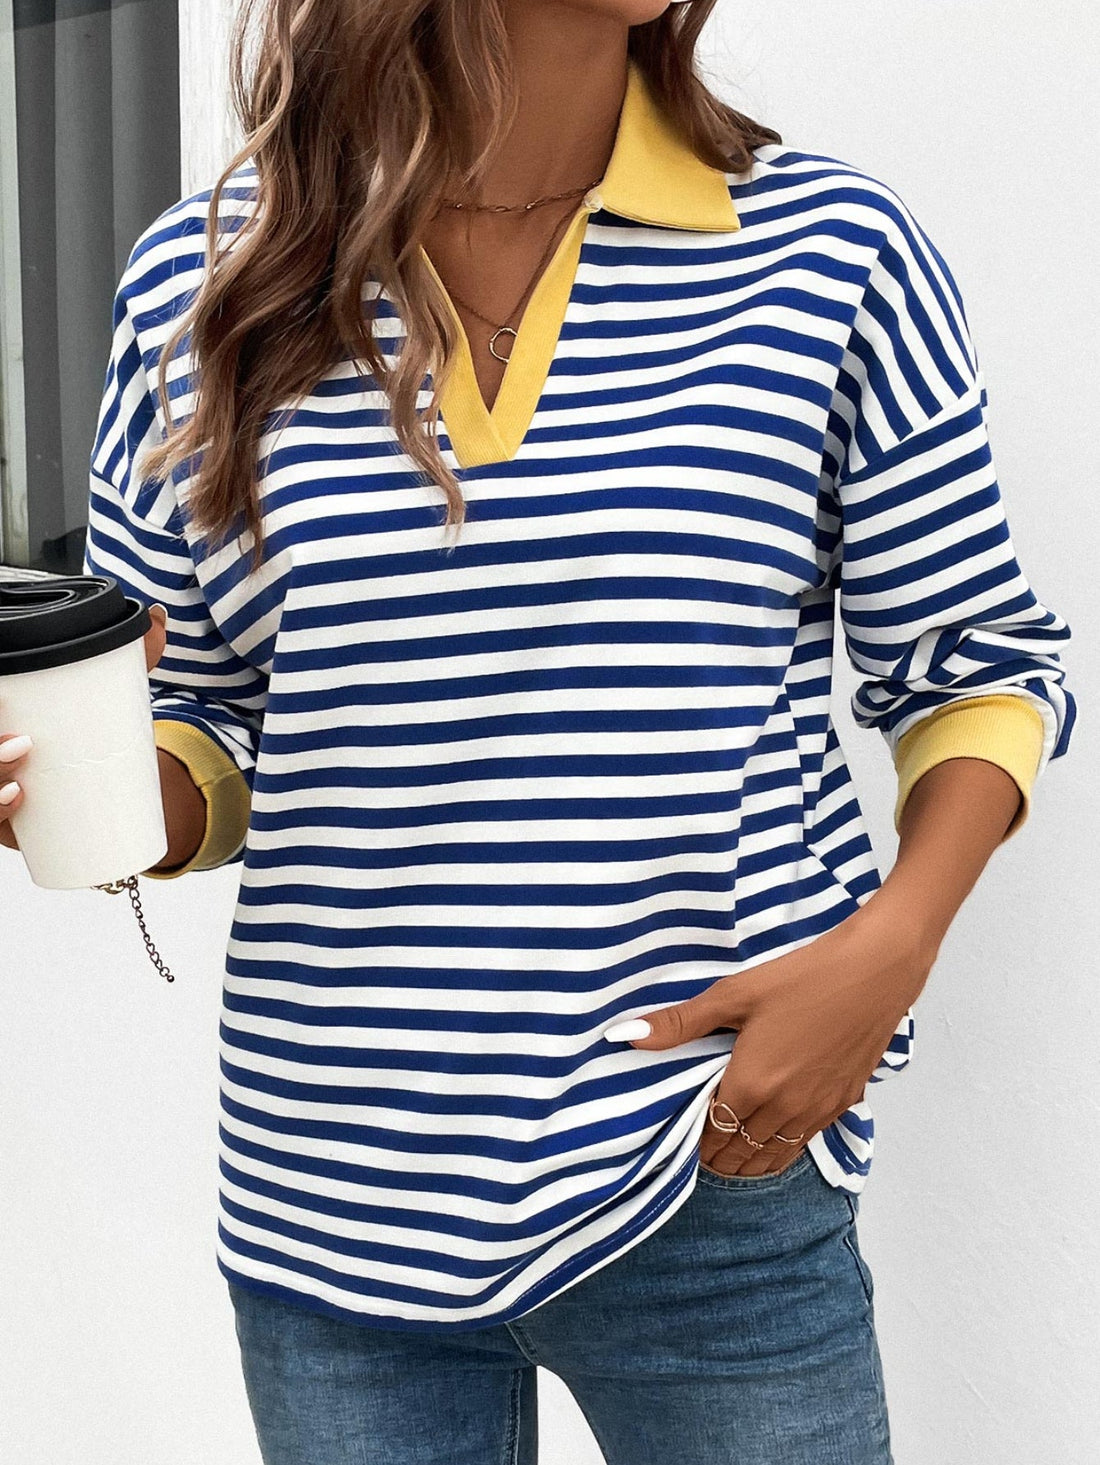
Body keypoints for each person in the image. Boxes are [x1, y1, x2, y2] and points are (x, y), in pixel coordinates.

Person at [0, 1, 1077, 1461]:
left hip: (710, 1161)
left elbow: (977, 664)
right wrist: (83, 785)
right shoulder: (211, 284)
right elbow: (202, 719)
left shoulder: (832, 253)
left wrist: (889, 954)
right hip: (337, 1203)